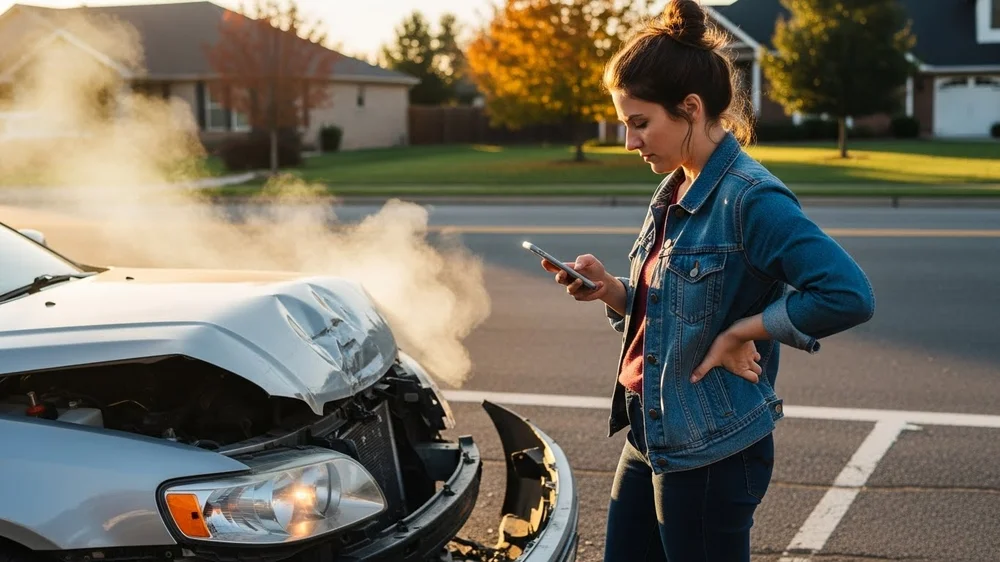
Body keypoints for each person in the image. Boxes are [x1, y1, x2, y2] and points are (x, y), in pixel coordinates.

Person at [538, 0, 876, 560]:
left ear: (690, 108)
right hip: (651, 431)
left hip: (711, 448)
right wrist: (614, 292)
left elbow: (848, 295)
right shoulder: (676, 187)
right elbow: (676, 306)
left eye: (639, 123)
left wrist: (744, 330)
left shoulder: (750, 198)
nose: (629, 142)